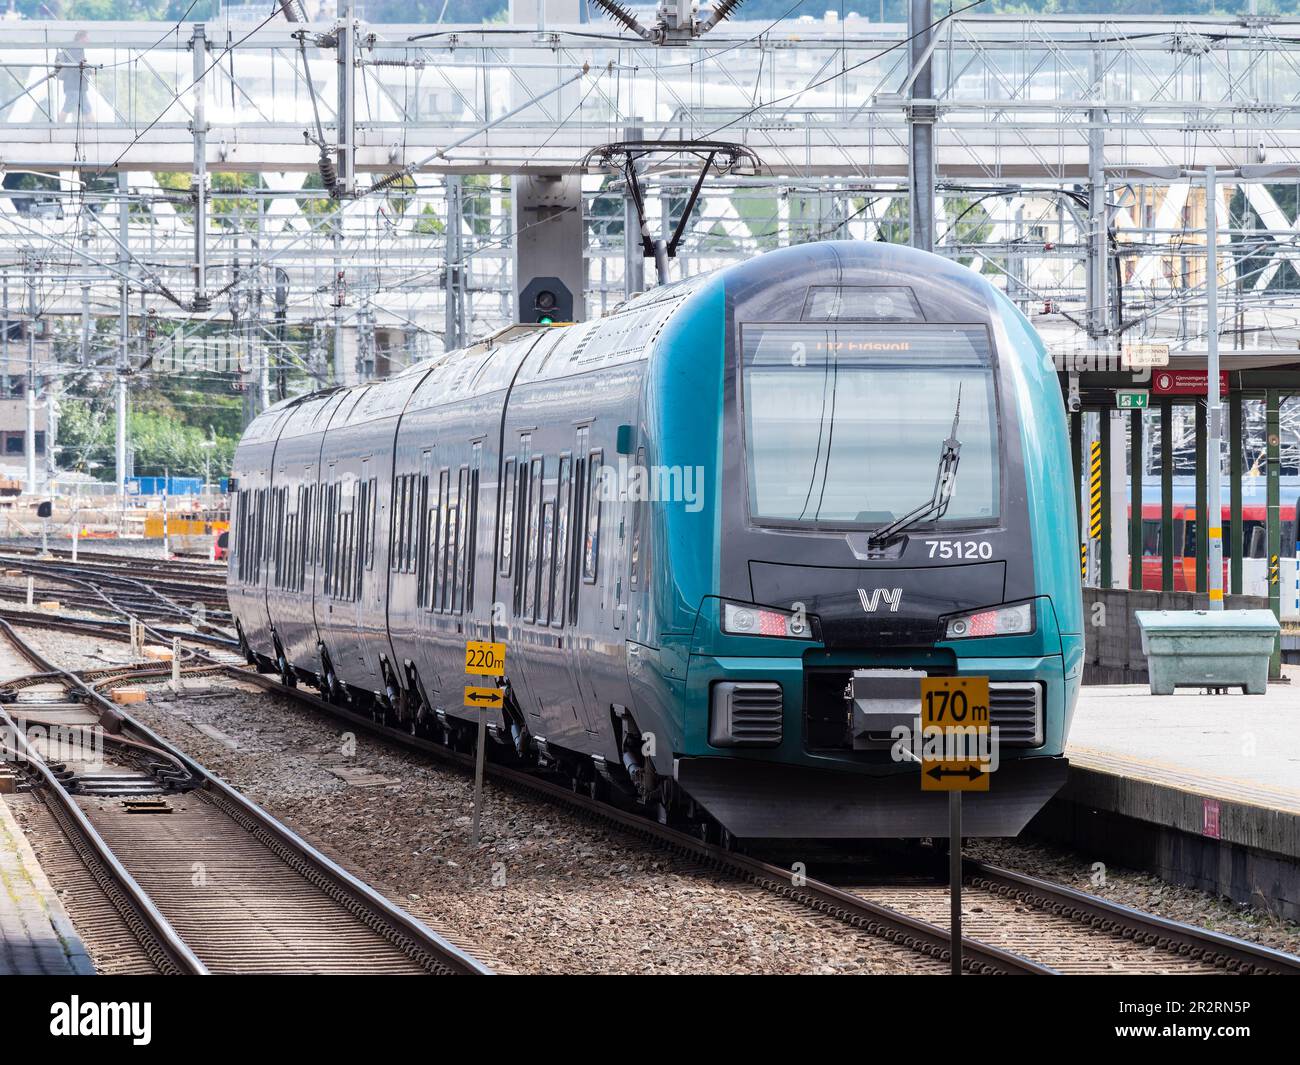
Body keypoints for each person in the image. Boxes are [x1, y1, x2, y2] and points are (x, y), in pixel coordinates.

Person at [55, 31, 91, 123]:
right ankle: (58, 126)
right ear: (82, 38)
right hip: (74, 84)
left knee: (86, 107)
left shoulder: (75, 48)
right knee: (69, 106)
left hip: (76, 84)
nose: (89, 40)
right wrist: (90, 71)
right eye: (87, 37)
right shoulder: (76, 49)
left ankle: (93, 128)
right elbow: (76, 66)